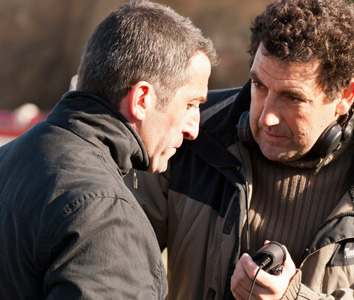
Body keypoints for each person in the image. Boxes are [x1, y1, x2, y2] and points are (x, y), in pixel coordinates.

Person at [125, 0, 354, 299]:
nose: (266, 115)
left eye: (292, 97)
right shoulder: (188, 135)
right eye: (259, 86)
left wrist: (295, 298)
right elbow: (116, 260)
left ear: (345, 96)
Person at [0, 0, 217, 299]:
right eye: (191, 105)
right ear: (142, 99)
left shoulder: (10, 157)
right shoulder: (106, 219)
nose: (193, 128)